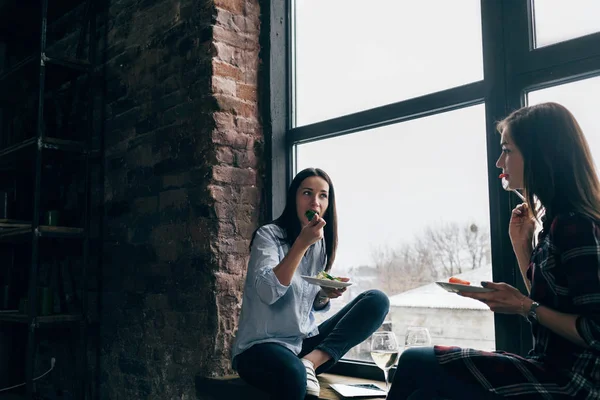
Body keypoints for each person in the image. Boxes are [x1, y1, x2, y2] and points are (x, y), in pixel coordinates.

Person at [387, 102, 600, 399]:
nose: (500, 162)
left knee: (414, 361)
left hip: (573, 385)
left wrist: (524, 306)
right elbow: (549, 302)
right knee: (423, 391)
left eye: (508, 150)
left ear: (541, 155)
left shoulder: (577, 226)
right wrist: (521, 245)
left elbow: (595, 331)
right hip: (548, 368)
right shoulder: (555, 222)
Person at [231, 167, 390, 399]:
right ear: (294, 197)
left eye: (323, 195)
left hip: (301, 345)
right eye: (307, 193)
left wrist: (324, 294)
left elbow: (309, 303)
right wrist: (301, 244)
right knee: (294, 374)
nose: (315, 202)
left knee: (376, 301)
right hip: (259, 348)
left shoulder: (320, 244)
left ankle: (311, 362)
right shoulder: (268, 236)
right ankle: (303, 366)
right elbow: (268, 292)